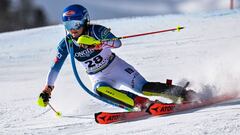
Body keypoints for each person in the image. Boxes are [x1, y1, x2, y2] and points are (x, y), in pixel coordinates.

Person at [38, 4, 195, 111]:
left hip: (116, 67)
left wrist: (98, 44)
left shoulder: (96, 31)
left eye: (76, 24)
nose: (72, 30)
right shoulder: (66, 44)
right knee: (100, 90)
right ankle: (146, 106)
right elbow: (55, 68)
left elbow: (117, 43)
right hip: (98, 76)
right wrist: (48, 89)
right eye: (68, 26)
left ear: (85, 21)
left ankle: (183, 93)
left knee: (144, 88)